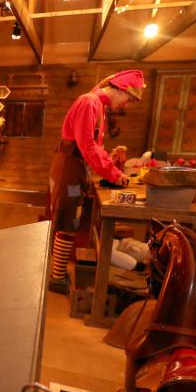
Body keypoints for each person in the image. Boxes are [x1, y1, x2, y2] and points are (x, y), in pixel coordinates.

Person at [46, 69, 145, 287]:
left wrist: (110, 161)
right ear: (120, 90)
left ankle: (58, 273)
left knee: (71, 220)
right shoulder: (88, 102)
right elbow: (87, 146)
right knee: (66, 221)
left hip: (78, 167)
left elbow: (95, 147)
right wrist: (113, 173)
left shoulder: (99, 107)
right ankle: (57, 278)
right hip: (70, 168)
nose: (125, 105)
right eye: (128, 100)